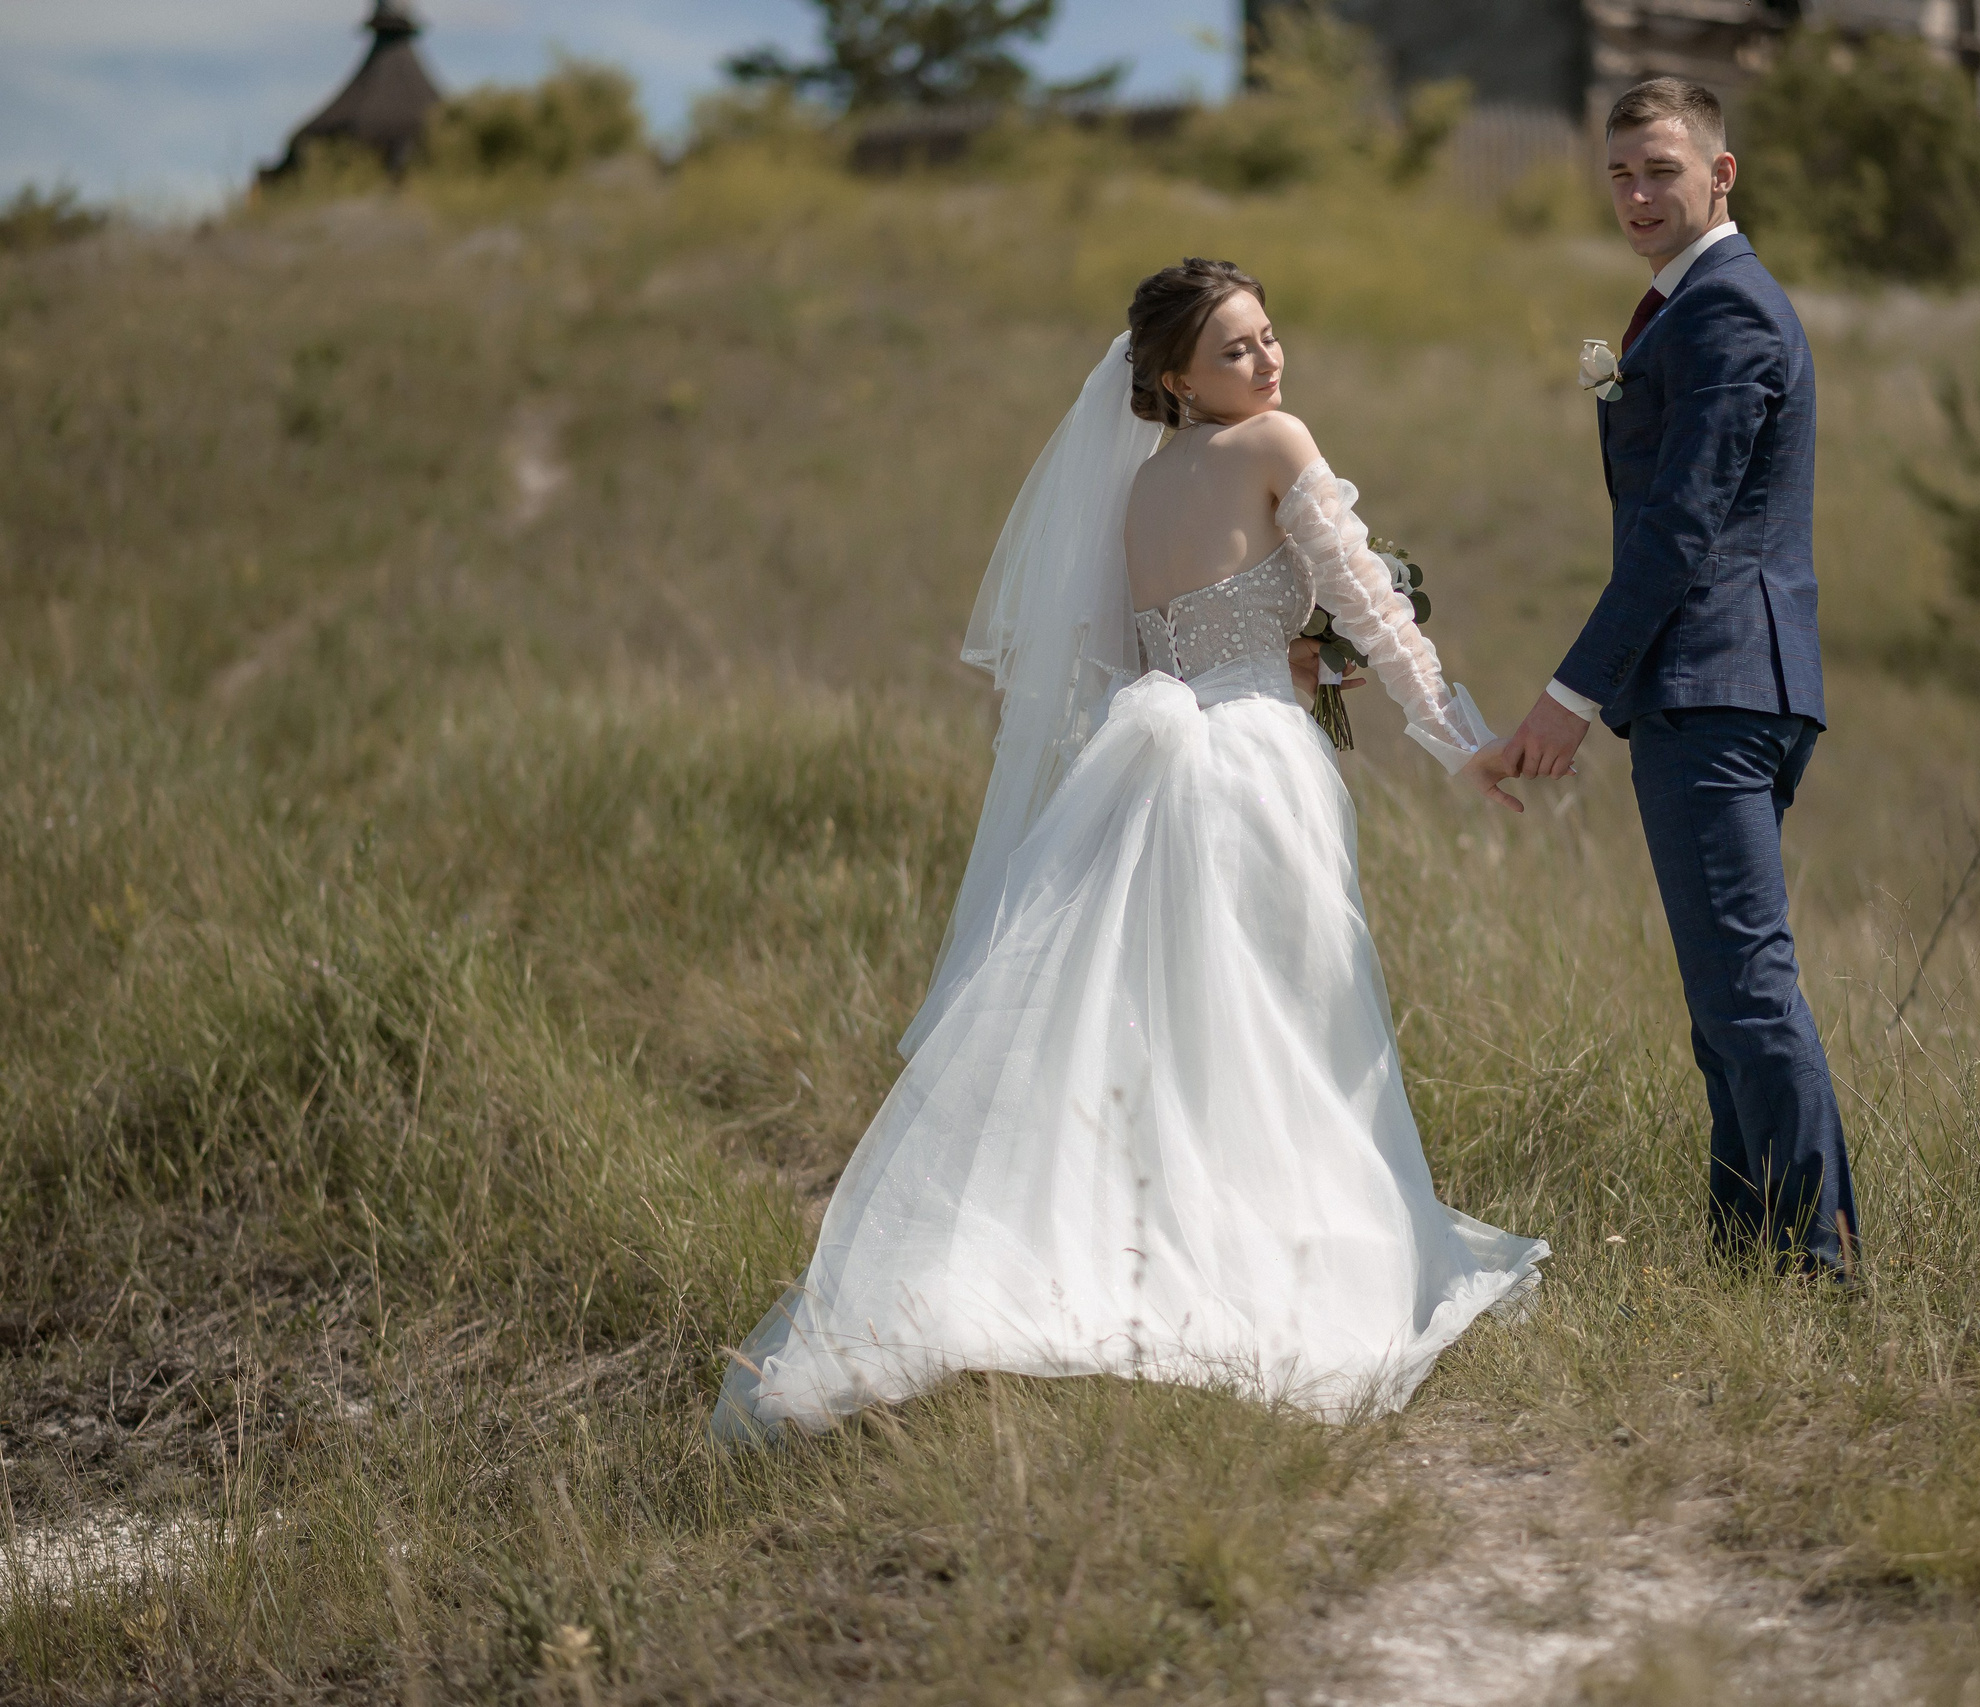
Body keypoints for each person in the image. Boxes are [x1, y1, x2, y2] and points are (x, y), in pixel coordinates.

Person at [714, 261, 1546, 1437]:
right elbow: (1364, 596)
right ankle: (1280, 1259)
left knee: (1171, 1025)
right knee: (1285, 1022)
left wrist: (1298, 660)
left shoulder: (1139, 488)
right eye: (1235, 352)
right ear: (1172, 377)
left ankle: (1138, 1242)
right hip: (1252, 767)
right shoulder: (1276, 445)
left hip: (1152, 764)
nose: (1265, 363)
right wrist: (1457, 738)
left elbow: (1155, 646)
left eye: (1268, 338)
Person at [1489, 77, 1859, 1276]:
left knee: (1746, 995)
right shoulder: (1676, 309)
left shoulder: (1730, 313)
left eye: (1661, 169)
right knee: (1722, 1001)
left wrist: (1571, 695)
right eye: (1621, 174)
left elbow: (1681, 529)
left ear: (1721, 172)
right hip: (1714, 685)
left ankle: (1818, 1269)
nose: (1639, 194)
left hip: (1717, 683)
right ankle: (1748, 1257)